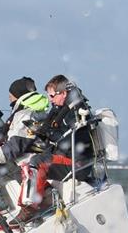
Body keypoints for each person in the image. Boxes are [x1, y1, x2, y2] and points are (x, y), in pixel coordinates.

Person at [14, 75, 96, 215]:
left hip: (77, 164)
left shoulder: (74, 113)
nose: (50, 99)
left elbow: (70, 139)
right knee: (23, 161)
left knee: (36, 162)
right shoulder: (60, 109)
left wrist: (50, 136)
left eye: (52, 95)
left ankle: (29, 210)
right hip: (65, 157)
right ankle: (46, 200)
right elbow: (55, 132)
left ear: (63, 93)